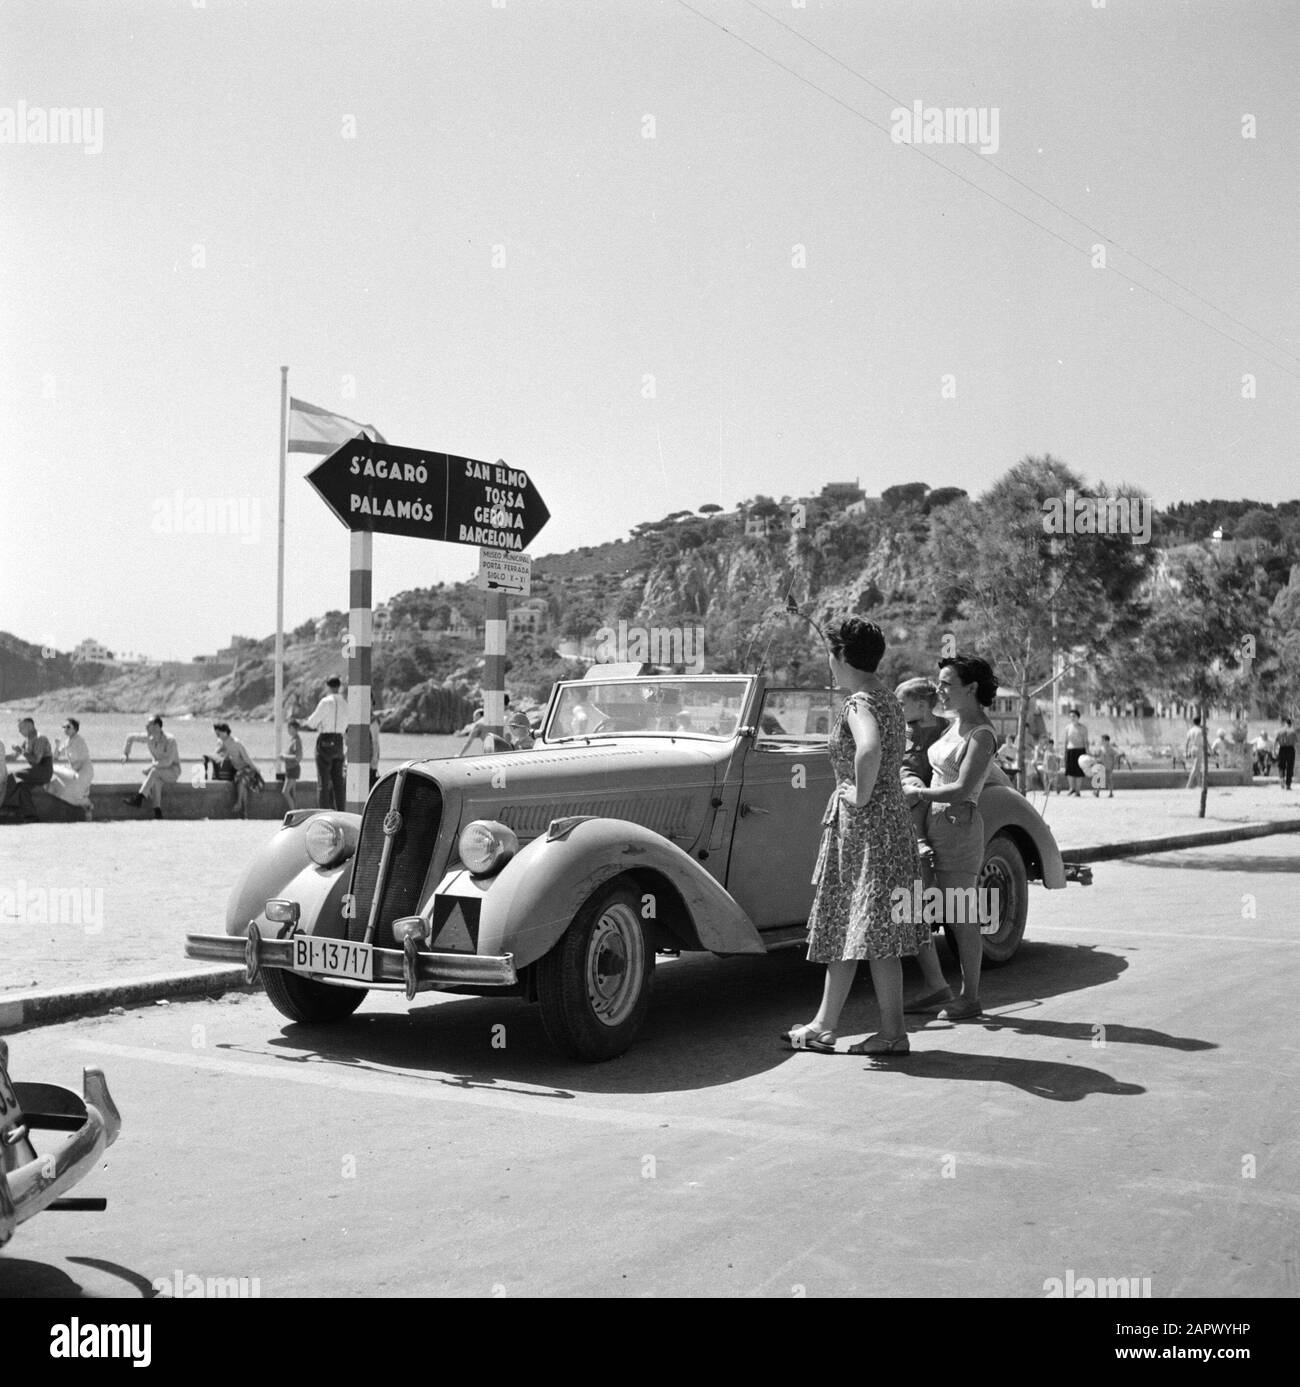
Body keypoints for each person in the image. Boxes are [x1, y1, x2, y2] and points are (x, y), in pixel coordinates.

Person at [783, 619, 927, 1057]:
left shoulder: (858, 703)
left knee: (874, 930)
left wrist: (860, 795)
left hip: (866, 827)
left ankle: (892, 1033)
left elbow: (869, 749)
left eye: (830, 654)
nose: (829, 662)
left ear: (843, 657)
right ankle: (825, 1024)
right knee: (854, 924)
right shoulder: (887, 698)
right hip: (887, 822)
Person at [909, 654, 1002, 1022]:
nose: (939, 690)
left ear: (972, 688)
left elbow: (963, 788)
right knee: (914, 906)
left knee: (960, 915)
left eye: (946, 684)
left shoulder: (982, 734)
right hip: (931, 825)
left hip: (958, 829)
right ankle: (935, 985)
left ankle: (970, 997)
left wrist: (917, 794)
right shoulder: (953, 724)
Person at [895, 676, 958, 1011]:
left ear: (921, 704)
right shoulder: (900, 730)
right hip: (912, 790)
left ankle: (937, 985)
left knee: (911, 906)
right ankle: (935, 984)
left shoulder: (946, 729)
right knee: (911, 906)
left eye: (903, 703)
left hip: (933, 798)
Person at [301, 676, 349, 810]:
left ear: (328, 686)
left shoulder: (326, 702)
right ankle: (341, 811)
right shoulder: (345, 703)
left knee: (323, 781)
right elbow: (347, 724)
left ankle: (323, 812)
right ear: (339, 687)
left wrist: (307, 722)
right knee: (338, 782)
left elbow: (312, 722)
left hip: (325, 740)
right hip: (339, 740)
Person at [122, 715, 181, 818]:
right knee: (156, 783)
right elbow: (130, 737)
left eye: (149, 725)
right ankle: (157, 812)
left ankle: (139, 798)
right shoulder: (149, 738)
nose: (146, 727)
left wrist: (151, 767)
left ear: (157, 726)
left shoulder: (170, 740)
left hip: (172, 772)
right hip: (158, 772)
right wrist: (125, 754)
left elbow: (168, 761)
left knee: (153, 772)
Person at [2, 717, 55, 821]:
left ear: (30, 726)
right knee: (23, 788)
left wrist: (21, 751)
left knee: (13, 776)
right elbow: (14, 756)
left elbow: (36, 760)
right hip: (36, 772)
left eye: (21, 728)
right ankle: (31, 816)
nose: (19, 731)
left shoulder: (41, 738)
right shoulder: (27, 740)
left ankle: (3, 803)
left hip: (44, 772)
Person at [48, 717, 94, 816]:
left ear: (75, 729)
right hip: (74, 772)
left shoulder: (80, 741)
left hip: (83, 772)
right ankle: (87, 806)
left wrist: (70, 772)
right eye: (63, 727)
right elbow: (55, 757)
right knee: (56, 790)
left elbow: (81, 760)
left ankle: (87, 804)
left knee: (72, 795)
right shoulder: (67, 741)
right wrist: (57, 745)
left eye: (68, 727)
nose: (65, 729)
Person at [213, 723, 261, 818]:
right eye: (216, 734)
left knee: (241, 779)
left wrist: (256, 769)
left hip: (246, 768)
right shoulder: (222, 742)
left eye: (219, 734)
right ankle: (245, 812)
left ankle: (239, 803)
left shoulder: (236, 743)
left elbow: (246, 759)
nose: (217, 736)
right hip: (236, 770)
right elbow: (217, 753)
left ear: (225, 732)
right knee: (241, 782)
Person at [1064, 708, 1090, 797]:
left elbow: (1086, 741)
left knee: (1079, 771)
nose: (1072, 718)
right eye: (1070, 716)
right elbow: (1066, 741)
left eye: (1074, 716)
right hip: (1070, 750)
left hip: (1080, 751)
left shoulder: (1083, 728)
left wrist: (1087, 752)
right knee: (1069, 770)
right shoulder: (1067, 727)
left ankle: (1078, 790)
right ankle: (1072, 788)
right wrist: (1064, 752)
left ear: (1078, 717)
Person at [281, 720, 303, 809]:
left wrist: (284, 757)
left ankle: (293, 813)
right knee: (292, 793)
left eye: (289, 728)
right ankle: (295, 812)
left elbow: (298, 757)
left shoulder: (296, 741)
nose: (288, 730)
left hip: (293, 769)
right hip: (290, 769)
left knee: (285, 792)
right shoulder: (293, 740)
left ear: (294, 729)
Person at [1274, 718, 1296, 791]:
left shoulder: (1280, 731)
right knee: (1290, 767)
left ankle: (1281, 778)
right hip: (1290, 749)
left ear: (1285, 723)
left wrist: (1274, 751)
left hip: (1282, 749)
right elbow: (1297, 741)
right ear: (1291, 724)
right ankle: (1288, 785)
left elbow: (1275, 741)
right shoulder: (1293, 731)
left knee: (1281, 766)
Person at [1184, 716, 1205, 790]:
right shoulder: (1200, 730)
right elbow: (1205, 741)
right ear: (1200, 722)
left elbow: (1186, 742)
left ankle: (1199, 785)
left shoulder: (1190, 730)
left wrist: (1186, 752)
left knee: (1198, 767)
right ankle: (1188, 785)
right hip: (1199, 748)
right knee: (1196, 767)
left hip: (1192, 748)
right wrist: (1210, 751)